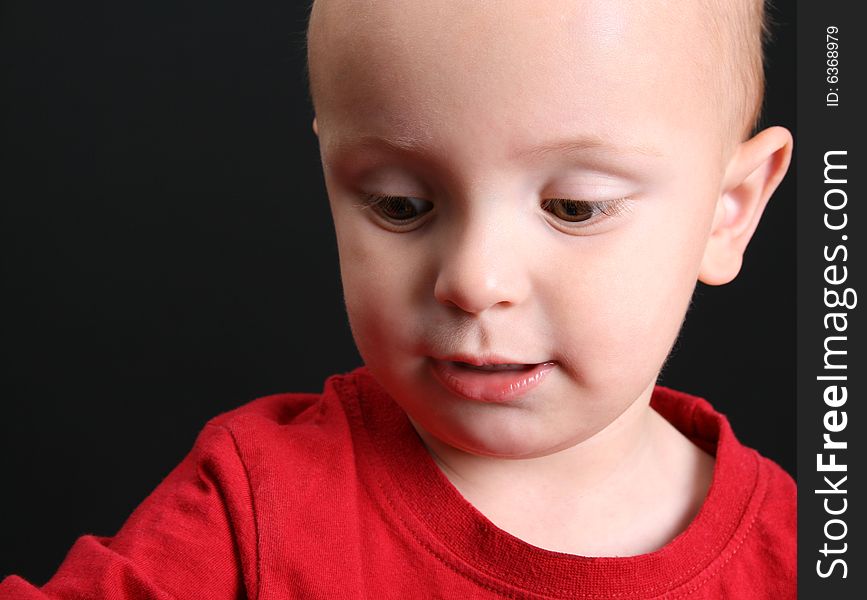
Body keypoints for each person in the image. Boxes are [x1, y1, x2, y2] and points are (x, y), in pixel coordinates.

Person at [0, 0, 795, 597]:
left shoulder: (799, 553)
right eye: (400, 205)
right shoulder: (253, 509)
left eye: (573, 208)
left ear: (728, 211)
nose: (474, 280)